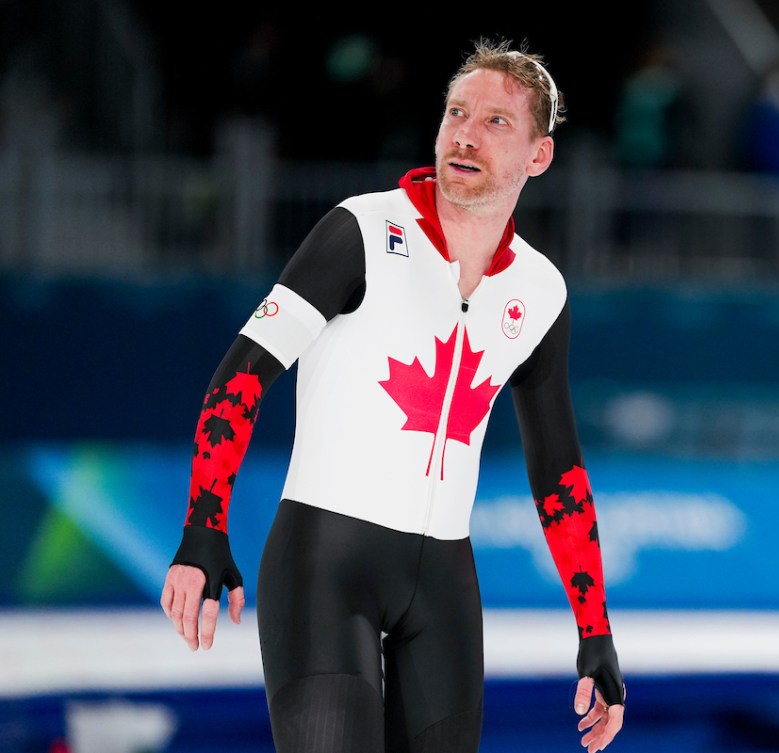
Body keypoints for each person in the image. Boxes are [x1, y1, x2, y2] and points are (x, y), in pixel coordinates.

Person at [159, 37, 626, 753]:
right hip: (324, 564)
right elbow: (242, 374)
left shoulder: (539, 292)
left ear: (538, 155)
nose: (464, 134)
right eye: (455, 112)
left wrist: (594, 631)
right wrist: (203, 527)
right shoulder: (363, 230)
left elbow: (558, 472)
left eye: (495, 121)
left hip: (442, 583)